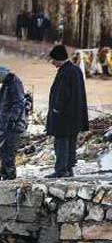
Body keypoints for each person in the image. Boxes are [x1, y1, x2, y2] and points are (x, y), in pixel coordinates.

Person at [46, 45, 89, 178]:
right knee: (71, 142)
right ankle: (69, 169)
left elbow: (62, 94)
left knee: (61, 142)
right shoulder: (76, 70)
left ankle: (61, 169)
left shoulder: (65, 72)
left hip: (64, 116)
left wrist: (56, 109)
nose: (52, 62)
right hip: (75, 115)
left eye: (53, 59)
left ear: (59, 59)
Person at [0, 66, 28, 181]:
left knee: (9, 150)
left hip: (13, 125)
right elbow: (2, 107)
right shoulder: (7, 85)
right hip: (5, 123)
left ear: (4, 74)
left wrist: (12, 120)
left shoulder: (14, 84)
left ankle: (10, 175)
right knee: (3, 150)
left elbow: (19, 104)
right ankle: (2, 173)